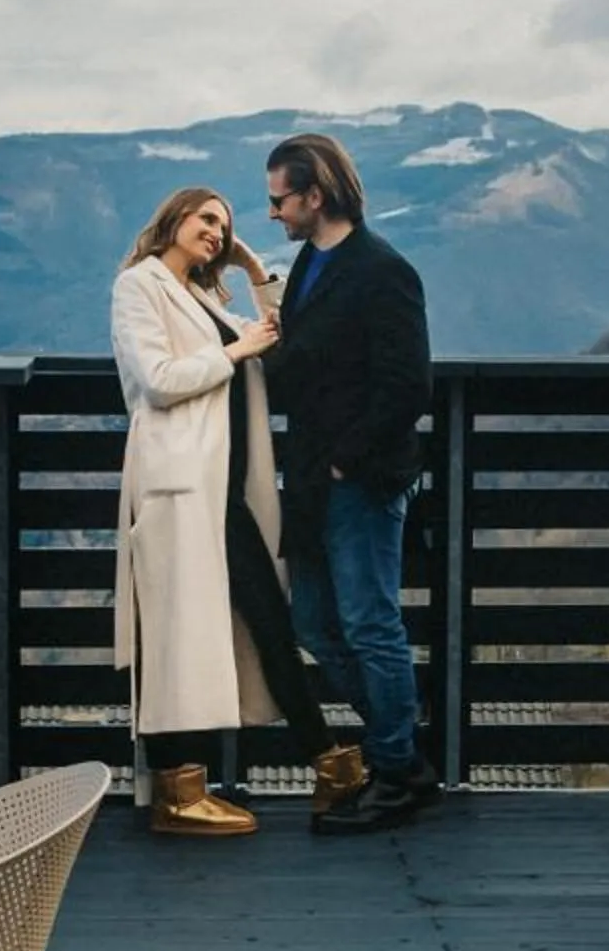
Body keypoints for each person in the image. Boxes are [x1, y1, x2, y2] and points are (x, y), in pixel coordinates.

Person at [110, 186, 369, 835]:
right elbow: (158, 381)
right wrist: (234, 351)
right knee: (178, 632)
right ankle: (181, 793)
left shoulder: (201, 295)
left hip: (221, 491)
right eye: (206, 219)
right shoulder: (139, 286)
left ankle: (332, 766)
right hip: (177, 488)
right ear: (172, 218)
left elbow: (282, 339)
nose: (216, 233)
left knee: (263, 621)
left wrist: (255, 273)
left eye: (224, 226)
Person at [260, 132, 437, 834]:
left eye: (280, 199)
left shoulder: (382, 270)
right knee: (314, 624)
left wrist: (346, 460)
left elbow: (407, 385)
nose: (272, 212)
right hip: (310, 477)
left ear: (315, 195)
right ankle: (403, 756)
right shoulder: (310, 263)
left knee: (369, 623)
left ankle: (395, 771)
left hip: (356, 479)